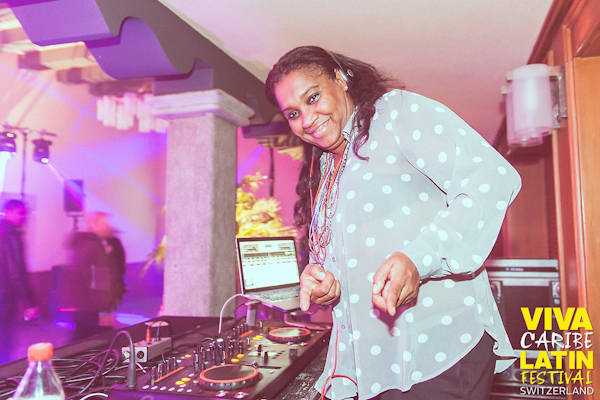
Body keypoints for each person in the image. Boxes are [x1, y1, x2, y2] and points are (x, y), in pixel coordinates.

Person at [265, 46, 522, 400]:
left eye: (313, 98)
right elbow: (357, 259)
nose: (307, 119)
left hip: (435, 353)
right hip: (378, 365)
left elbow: (491, 177)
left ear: (340, 78)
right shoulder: (326, 166)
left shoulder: (395, 112)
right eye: (294, 113)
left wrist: (418, 259)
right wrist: (328, 284)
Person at [66, 211, 125, 339]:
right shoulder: (93, 246)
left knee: (83, 339)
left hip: (85, 305)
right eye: (103, 223)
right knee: (98, 341)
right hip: (92, 307)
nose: (107, 226)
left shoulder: (85, 243)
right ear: (93, 225)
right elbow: (98, 279)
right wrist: (105, 311)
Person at [0, 199, 38, 363]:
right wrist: (29, 303)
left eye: (25, 213)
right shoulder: (11, 235)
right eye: (20, 213)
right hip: (4, 298)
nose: (24, 216)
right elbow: (16, 272)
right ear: (8, 212)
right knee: (4, 340)